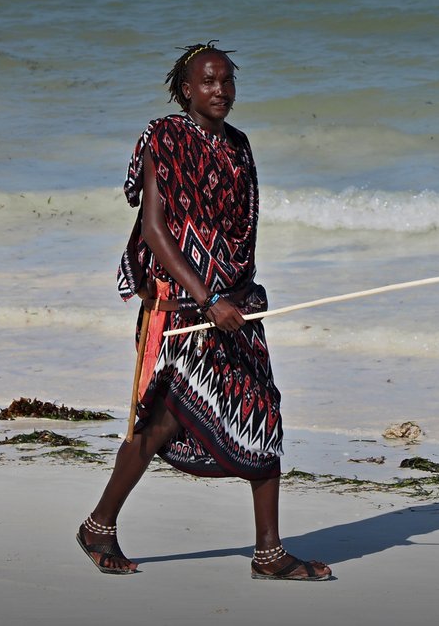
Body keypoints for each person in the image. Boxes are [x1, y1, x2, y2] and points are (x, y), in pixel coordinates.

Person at [76, 41, 332, 581]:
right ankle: (100, 525)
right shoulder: (163, 138)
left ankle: (268, 552)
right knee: (159, 422)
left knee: (263, 411)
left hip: (235, 308)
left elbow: (242, 233)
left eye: (227, 81)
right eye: (208, 82)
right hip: (180, 311)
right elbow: (155, 230)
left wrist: (235, 298)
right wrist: (206, 299)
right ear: (186, 89)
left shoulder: (240, 146)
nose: (220, 91)